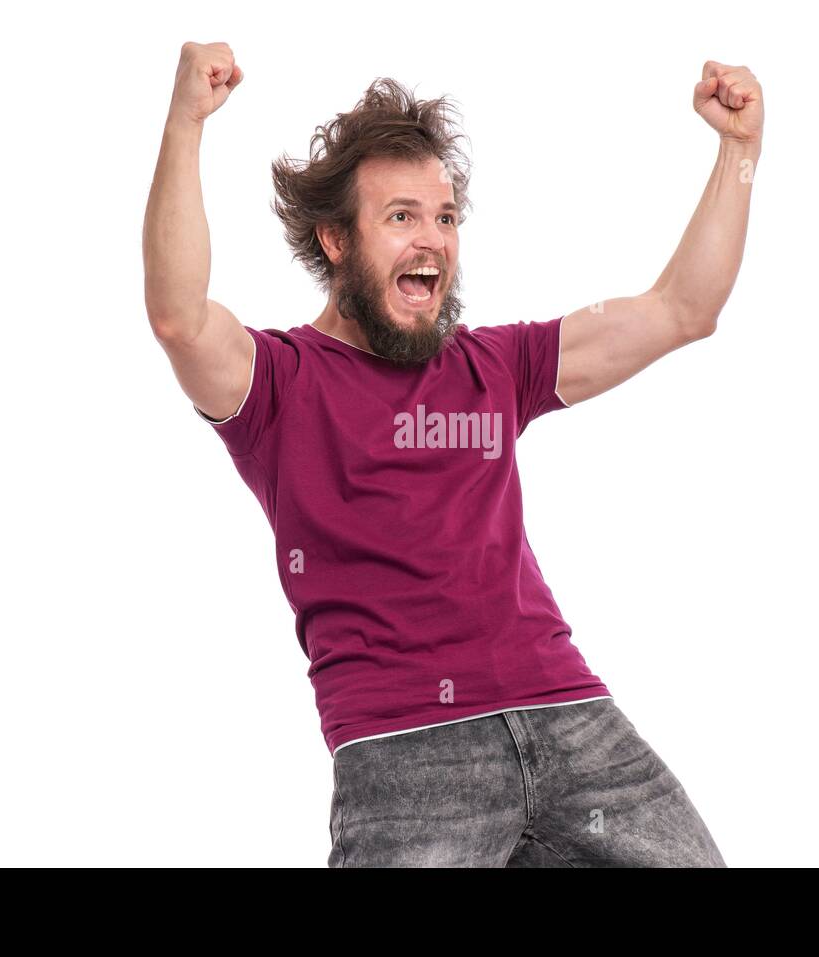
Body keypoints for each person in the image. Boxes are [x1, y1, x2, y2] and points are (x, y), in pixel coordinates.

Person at [142, 42, 762, 867]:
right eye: (401, 216)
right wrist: (185, 123)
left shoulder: (496, 366)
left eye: (444, 217)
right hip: (408, 751)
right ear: (335, 240)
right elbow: (181, 318)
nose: (431, 240)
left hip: (569, 716)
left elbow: (684, 308)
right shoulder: (280, 385)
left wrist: (739, 150)